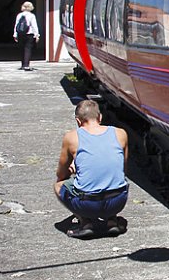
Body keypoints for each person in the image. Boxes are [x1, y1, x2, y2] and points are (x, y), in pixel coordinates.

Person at [54, 99, 130, 239]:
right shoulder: (120, 133)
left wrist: (73, 170)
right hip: (118, 201)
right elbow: (122, 169)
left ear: (78, 121)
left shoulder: (71, 137)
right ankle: (112, 221)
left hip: (88, 205)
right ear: (100, 117)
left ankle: (86, 222)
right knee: (112, 179)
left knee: (58, 185)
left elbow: (61, 174)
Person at [13, 1, 40, 71]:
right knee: (28, 49)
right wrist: (37, 35)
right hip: (29, 34)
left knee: (21, 49)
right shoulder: (31, 16)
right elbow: (34, 26)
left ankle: (22, 64)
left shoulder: (19, 15)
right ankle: (26, 65)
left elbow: (16, 25)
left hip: (20, 34)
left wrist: (15, 34)